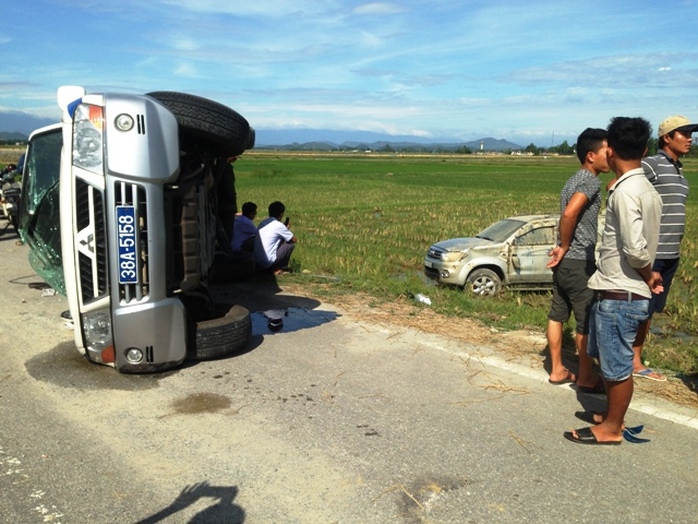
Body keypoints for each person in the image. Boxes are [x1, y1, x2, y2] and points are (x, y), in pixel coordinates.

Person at [565, 116, 663, 445]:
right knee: (611, 358)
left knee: (616, 365)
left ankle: (612, 428)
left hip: (622, 292)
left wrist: (647, 273)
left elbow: (635, 248)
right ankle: (611, 416)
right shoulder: (646, 188)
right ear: (645, 149)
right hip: (626, 291)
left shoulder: (624, 192)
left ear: (611, 150)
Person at [632, 115, 697, 382]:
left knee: (650, 309)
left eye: (691, 133)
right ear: (667, 138)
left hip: (672, 253)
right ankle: (632, 360)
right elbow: (623, 185)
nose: (690, 138)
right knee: (638, 308)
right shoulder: (652, 165)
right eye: (684, 133)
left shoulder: (678, 169)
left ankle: (635, 356)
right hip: (653, 253)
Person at [546, 128, 609, 392]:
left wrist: (561, 246)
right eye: (608, 151)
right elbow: (570, 213)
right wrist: (568, 244)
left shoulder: (573, 179)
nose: (612, 155)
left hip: (563, 263)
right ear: (591, 156)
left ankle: (557, 368)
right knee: (585, 321)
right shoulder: (590, 182)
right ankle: (585, 376)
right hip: (578, 260)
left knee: (557, 314)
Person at [254, 201, 297, 273]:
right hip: (267, 263)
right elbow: (293, 240)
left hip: (257, 262)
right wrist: (285, 229)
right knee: (290, 245)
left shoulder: (263, 223)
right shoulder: (279, 225)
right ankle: (280, 268)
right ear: (281, 214)